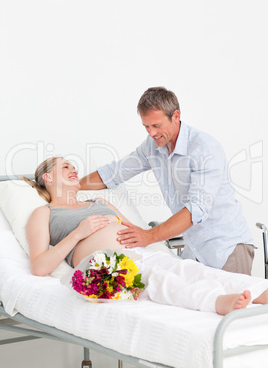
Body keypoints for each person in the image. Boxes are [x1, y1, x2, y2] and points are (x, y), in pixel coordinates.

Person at [24, 156, 268, 316]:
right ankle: (216, 302)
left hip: (139, 253)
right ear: (49, 177)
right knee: (155, 279)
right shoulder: (44, 213)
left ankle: (256, 292)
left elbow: (134, 229)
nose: (74, 169)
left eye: (74, 166)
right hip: (99, 268)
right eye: (65, 167)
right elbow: (39, 267)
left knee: (190, 270)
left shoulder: (98, 200)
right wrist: (79, 233)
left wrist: (116, 220)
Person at [80, 87, 254, 275]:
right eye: (146, 126)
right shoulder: (152, 147)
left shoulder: (204, 149)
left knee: (234, 303)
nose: (151, 133)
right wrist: (70, 185)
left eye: (156, 125)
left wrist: (148, 236)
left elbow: (196, 210)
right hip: (194, 251)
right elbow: (114, 173)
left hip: (225, 249)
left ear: (176, 116)